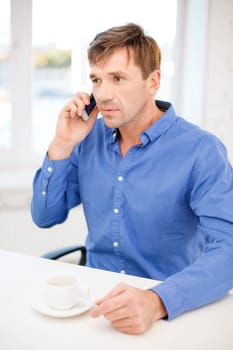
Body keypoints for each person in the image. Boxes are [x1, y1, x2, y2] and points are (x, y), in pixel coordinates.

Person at [31, 23, 233, 334]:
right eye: (97, 80)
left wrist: (157, 301)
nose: (103, 93)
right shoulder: (87, 138)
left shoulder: (201, 151)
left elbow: (228, 252)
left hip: (167, 313)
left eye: (118, 78)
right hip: (94, 307)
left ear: (152, 82)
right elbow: (45, 217)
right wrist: (62, 144)